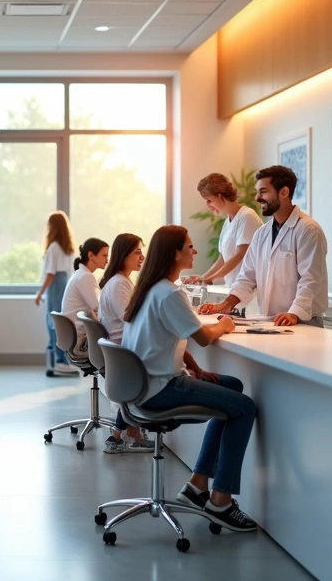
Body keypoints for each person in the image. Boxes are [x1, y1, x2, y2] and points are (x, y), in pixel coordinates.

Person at [121, 225, 257, 533]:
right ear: (175, 253)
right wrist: (225, 324)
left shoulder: (150, 288)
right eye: (190, 247)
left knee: (232, 387)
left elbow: (165, 339)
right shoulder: (169, 293)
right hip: (161, 389)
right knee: (245, 407)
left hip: (144, 385)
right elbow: (204, 337)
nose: (194, 251)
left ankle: (197, 485)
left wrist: (195, 367)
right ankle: (221, 501)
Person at [199, 166, 329, 327]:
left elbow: (311, 280)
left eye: (263, 192)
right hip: (272, 322)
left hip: (303, 322)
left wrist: (294, 313)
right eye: (257, 192)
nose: (257, 198)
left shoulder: (308, 230)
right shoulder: (262, 233)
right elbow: (247, 276)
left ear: (284, 192)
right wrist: (226, 304)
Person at [95, 233, 155, 455]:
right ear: (123, 255)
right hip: (124, 352)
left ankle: (127, 434)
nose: (142, 256)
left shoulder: (120, 281)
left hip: (122, 350)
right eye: (137, 252)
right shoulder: (119, 284)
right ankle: (124, 435)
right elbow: (131, 319)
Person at [184, 173, 263, 294]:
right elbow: (223, 259)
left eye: (209, 200)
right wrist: (203, 278)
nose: (208, 205)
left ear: (220, 197)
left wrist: (210, 279)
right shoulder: (227, 221)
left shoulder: (247, 216)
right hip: (234, 289)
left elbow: (240, 255)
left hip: (251, 291)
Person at [35, 211, 76, 376]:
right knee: (61, 324)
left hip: (55, 288)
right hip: (64, 285)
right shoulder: (68, 249)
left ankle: (56, 363)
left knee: (52, 324)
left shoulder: (53, 247)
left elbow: (50, 274)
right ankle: (62, 361)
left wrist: (39, 293)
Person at [60, 237, 109, 362]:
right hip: (81, 342)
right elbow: (99, 309)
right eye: (104, 255)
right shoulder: (85, 277)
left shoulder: (80, 274)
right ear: (91, 255)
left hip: (74, 338)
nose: (107, 260)